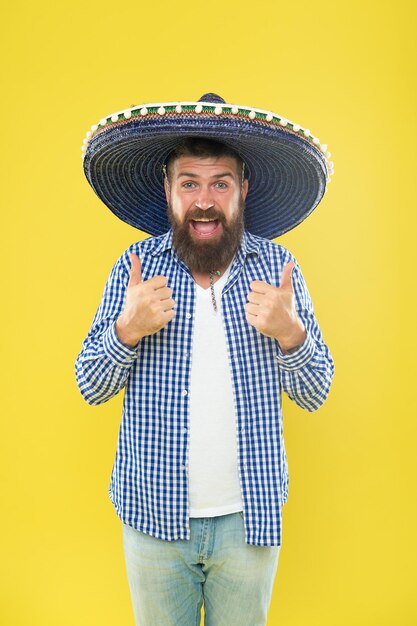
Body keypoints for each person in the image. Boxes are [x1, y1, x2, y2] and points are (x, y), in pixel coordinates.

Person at [76, 93, 335, 626]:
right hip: (152, 516)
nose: (204, 199)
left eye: (220, 183)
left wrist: (291, 335)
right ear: (168, 191)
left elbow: (317, 392)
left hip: (249, 521)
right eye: (189, 182)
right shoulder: (135, 268)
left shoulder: (280, 267)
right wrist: (127, 331)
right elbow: (90, 385)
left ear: (243, 190)